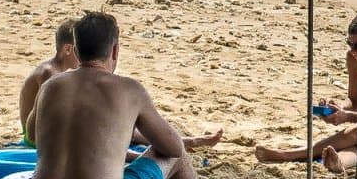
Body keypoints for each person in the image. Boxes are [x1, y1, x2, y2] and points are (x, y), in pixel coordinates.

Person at [27, 12, 225, 179]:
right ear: (114, 50)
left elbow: (32, 134)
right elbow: (172, 147)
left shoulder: (50, 86)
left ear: (77, 51)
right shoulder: (129, 90)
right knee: (177, 158)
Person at [20, 16, 222, 152]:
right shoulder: (124, 88)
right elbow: (172, 149)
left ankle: (190, 141)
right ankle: (191, 141)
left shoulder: (55, 84)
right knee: (168, 154)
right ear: (114, 51)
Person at [254, 11, 357, 171]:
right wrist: (337, 109)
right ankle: (338, 164)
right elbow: (354, 102)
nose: (353, 51)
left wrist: (348, 117)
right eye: (350, 44)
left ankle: (290, 155)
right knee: (355, 148)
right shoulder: (355, 60)